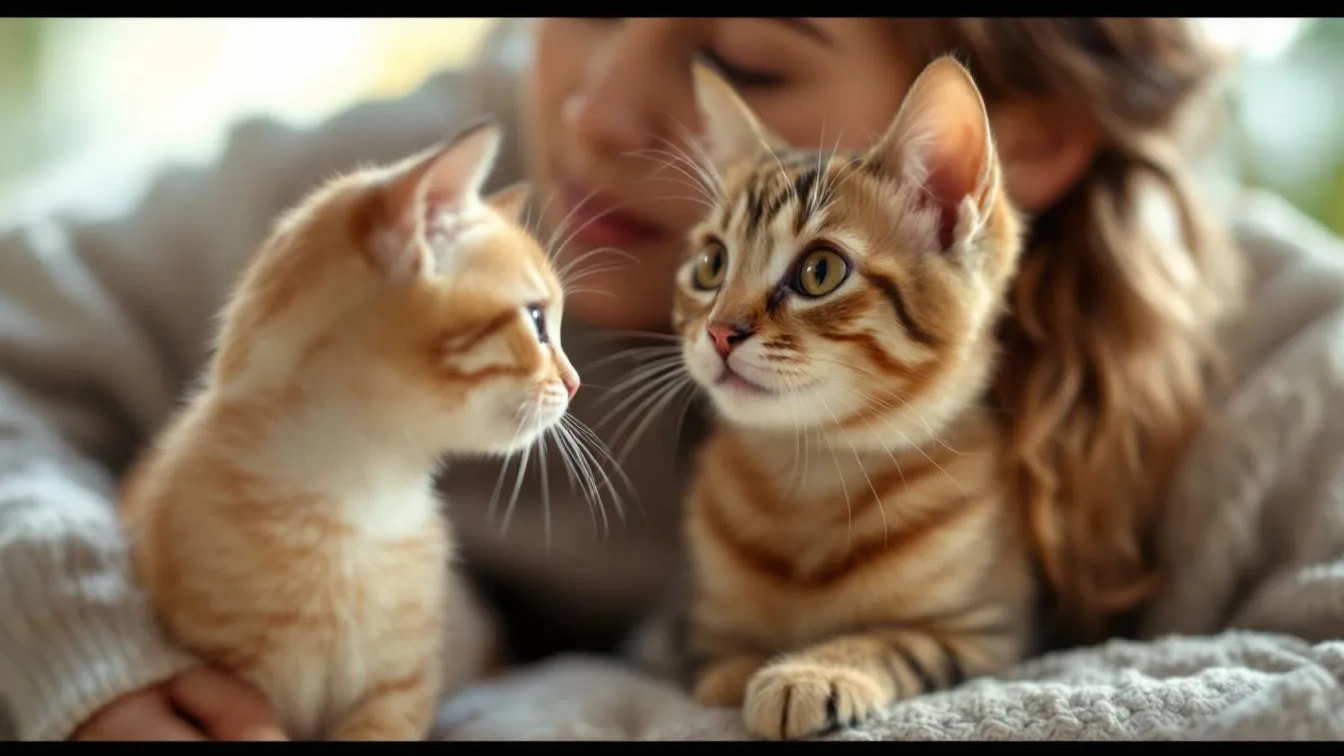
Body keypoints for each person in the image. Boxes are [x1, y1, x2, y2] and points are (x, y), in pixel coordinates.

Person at [0, 18, 1340, 741]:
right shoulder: (422, 200)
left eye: (743, 63)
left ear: (1009, 142)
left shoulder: (1270, 349)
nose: (592, 112)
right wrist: (81, 646)